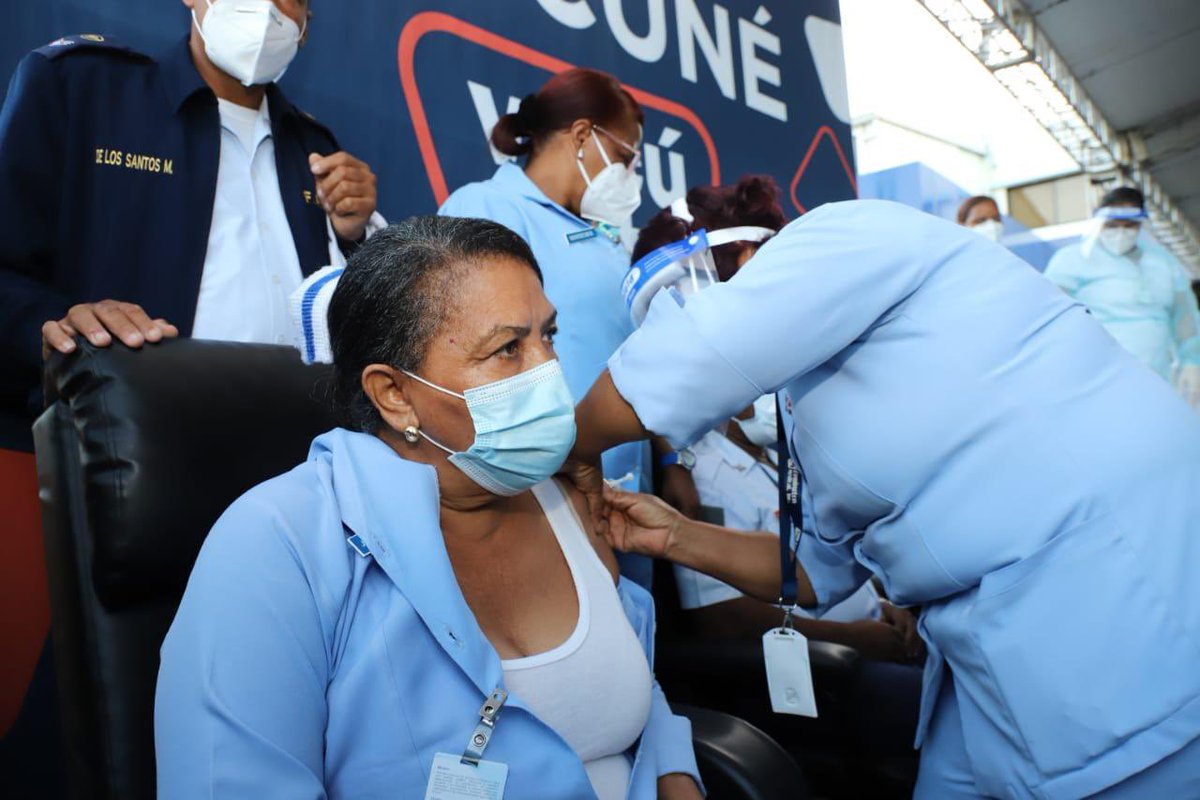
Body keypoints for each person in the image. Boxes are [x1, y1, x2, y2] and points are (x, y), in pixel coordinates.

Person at [567, 198, 1200, 798]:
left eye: (677, 304)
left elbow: (689, 361)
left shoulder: (841, 237)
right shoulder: (807, 401)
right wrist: (673, 534)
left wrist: (570, 447)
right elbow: (814, 568)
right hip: (982, 660)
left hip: (1103, 599)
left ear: (742, 259)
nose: (677, 325)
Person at [155, 216, 702, 799]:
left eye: (549, 337)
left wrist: (674, 776)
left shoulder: (567, 496)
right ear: (394, 395)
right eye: (507, 349)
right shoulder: (278, 541)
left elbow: (628, 680)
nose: (550, 372)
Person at [0, 0, 381, 453]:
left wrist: (354, 237)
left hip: (289, 458)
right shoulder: (83, 87)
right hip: (123, 452)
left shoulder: (315, 150)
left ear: (304, 28)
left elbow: (349, 336)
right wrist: (55, 328)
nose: (266, 9)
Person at [1045, 187, 1200, 407]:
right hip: (1096, 378)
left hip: (1157, 376)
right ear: (1100, 220)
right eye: (1113, 225)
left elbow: (1185, 317)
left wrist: (1192, 361)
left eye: (1129, 226)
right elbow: (1050, 313)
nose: (1121, 232)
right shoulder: (1073, 260)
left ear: (1140, 224)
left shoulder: (1163, 263)